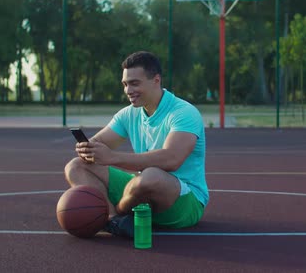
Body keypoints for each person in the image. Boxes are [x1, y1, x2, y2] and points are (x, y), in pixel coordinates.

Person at [64, 51, 208, 238]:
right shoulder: (129, 114)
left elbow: (171, 159)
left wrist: (112, 157)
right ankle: (113, 220)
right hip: (139, 190)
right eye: (125, 84)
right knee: (76, 166)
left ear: (156, 80)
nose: (128, 90)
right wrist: (88, 148)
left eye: (134, 83)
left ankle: (118, 212)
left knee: (151, 177)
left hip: (185, 200)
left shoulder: (183, 113)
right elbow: (99, 142)